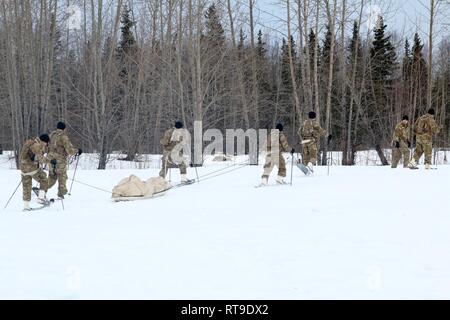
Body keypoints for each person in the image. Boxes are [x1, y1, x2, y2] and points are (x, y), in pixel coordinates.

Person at [19, 134, 54, 210]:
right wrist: (50, 160)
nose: (46, 145)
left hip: (23, 169)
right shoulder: (36, 145)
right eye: (46, 143)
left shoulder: (29, 142)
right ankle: (41, 198)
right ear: (43, 141)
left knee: (26, 187)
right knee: (44, 178)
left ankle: (26, 206)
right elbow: (40, 158)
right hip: (31, 168)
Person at [47, 122, 81, 199]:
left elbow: (46, 146)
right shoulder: (63, 137)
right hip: (60, 161)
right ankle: (60, 195)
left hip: (50, 160)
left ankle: (42, 190)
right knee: (62, 177)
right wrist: (77, 151)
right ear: (64, 128)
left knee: (52, 177)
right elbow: (69, 150)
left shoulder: (51, 135)